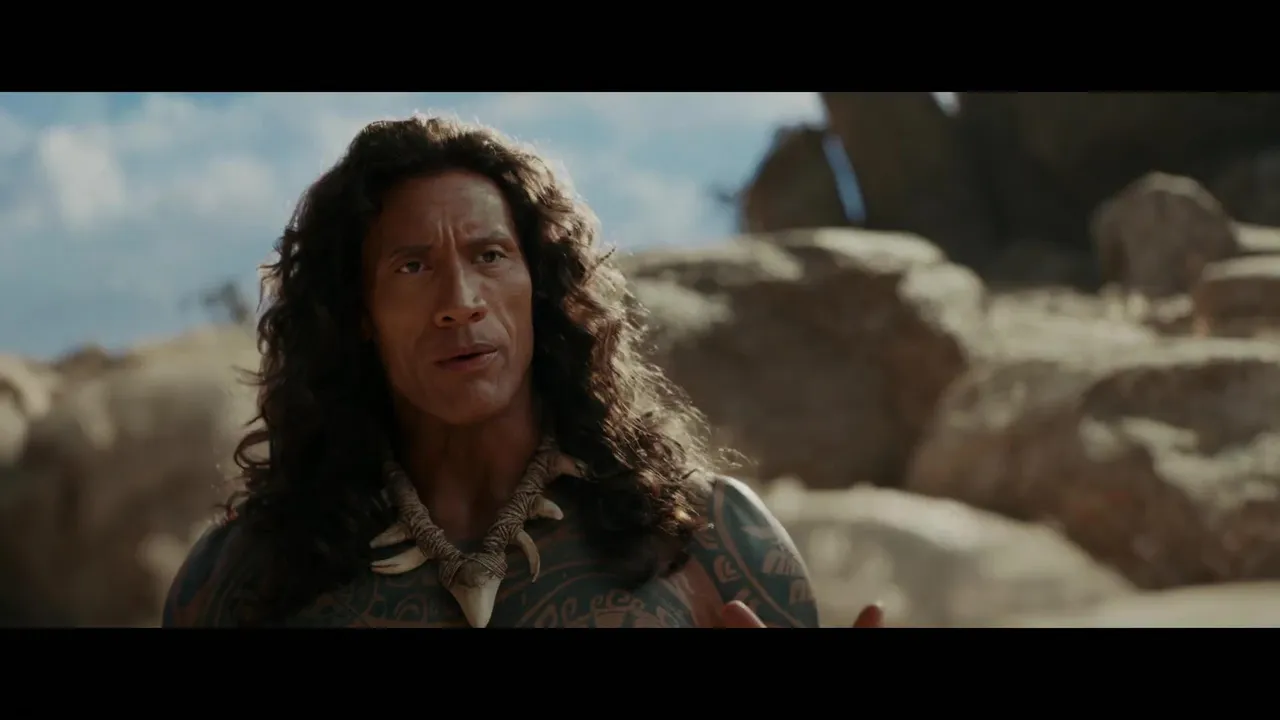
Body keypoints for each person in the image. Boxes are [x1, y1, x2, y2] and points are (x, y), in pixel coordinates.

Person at [161, 113, 883, 629]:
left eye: (490, 255)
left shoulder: (714, 541)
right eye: (413, 266)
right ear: (359, 313)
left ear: (538, 286)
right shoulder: (244, 575)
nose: (460, 302)